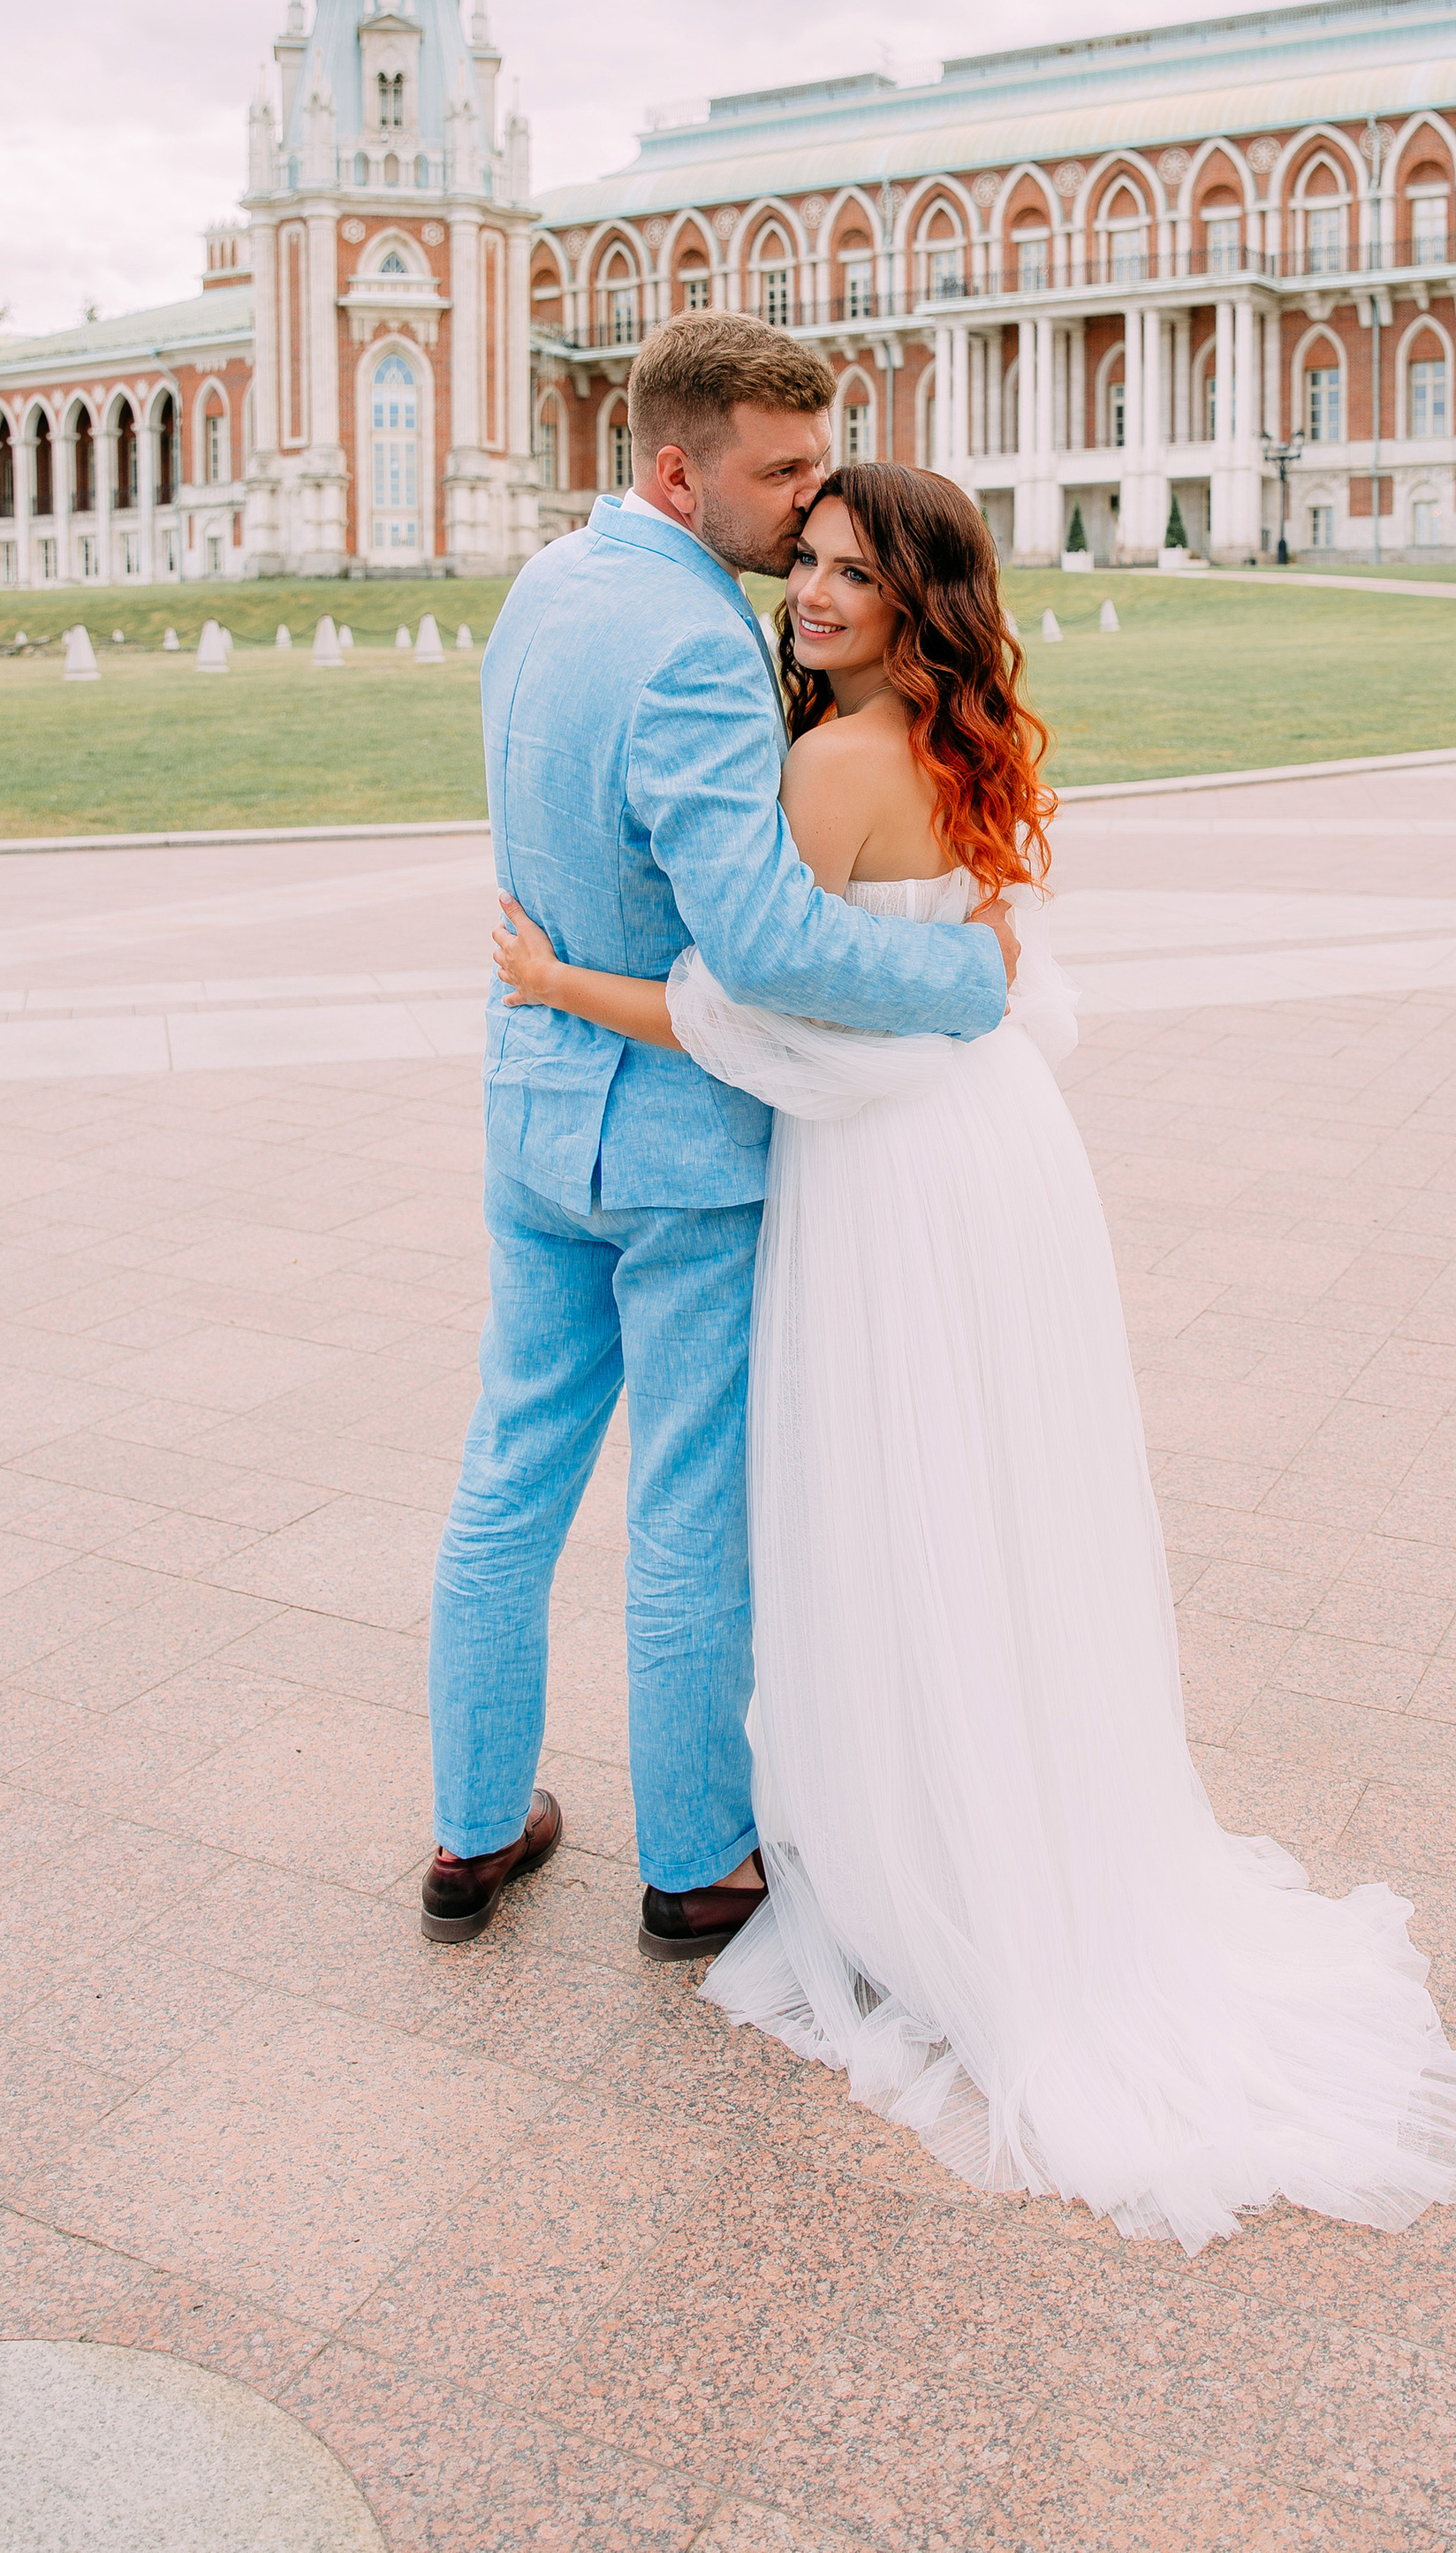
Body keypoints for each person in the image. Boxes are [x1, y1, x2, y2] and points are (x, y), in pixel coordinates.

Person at [489, 460, 1456, 2254]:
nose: (806, 593)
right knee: (992, 1519)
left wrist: (559, 981)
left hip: (889, 1184)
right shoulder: (960, 741)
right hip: (998, 1160)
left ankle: (928, 1868)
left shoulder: (823, 762)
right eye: (800, 558)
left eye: (848, 573)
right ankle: (1007, 1834)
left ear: (916, 601)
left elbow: (748, 1013)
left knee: (896, 1523)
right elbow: (968, 969)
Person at [424, 318, 1015, 1960]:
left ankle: (472, 1831)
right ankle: (696, 1862)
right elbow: (762, 943)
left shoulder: (545, 588)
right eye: (779, 474)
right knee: (687, 1506)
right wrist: (961, 973)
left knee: (511, 1470)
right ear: (680, 472)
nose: (806, 500)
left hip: (532, 1109)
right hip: (677, 1145)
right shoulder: (693, 643)